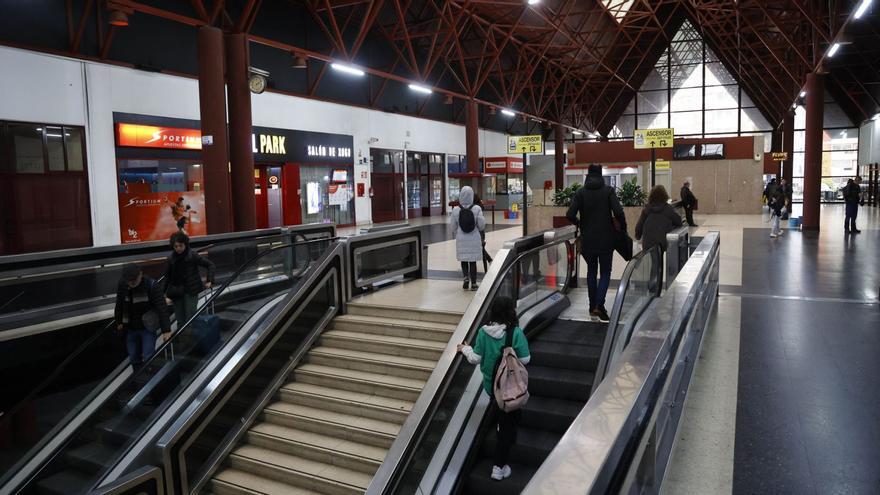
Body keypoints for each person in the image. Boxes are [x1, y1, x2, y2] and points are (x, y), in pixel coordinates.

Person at [457, 296, 530, 481]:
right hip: (510, 388)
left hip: (492, 387)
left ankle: (506, 423)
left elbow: (475, 358)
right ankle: (499, 467)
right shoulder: (515, 333)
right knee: (505, 427)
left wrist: (464, 349)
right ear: (511, 311)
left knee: (503, 412)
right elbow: (525, 359)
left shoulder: (483, 332)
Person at [566, 164, 626, 322]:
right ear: (600, 175)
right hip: (606, 239)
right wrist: (623, 228)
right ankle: (600, 305)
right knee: (605, 272)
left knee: (591, 272)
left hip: (588, 240)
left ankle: (592, 307)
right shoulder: (608, 191)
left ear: (587, 175)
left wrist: (579, 223)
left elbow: (570, 214)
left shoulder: (580, 192)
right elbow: (619, 212)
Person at [115, 263, 171, 370]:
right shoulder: (123, 284)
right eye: (128, 280)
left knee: (148, 356)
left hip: (147, 327)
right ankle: (138, 378)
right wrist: (118, 322)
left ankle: (149, 379)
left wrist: (166, 330)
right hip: (130, 326)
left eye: (133, 280)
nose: (131, 283)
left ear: (140, 274)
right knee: (133, 357)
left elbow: (161, 307)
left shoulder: (151, 285)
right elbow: (119, 304)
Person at [164, 231, 216, 327]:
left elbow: (210, 265)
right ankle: (184, 341)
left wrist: (210, 280)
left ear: (185, 244)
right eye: (175, 246)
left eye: (180, 246)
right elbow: (167, 277)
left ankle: (190, 341)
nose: (178, 248)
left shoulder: (192, 255)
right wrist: (165, 295)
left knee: (190, 318)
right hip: (176, 291)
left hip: (191, 290)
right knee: (180, 320)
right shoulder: (171, 258)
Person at [450, 186, 486, 291]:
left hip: (461, 238)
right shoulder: (477, 209)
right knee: (473, 261)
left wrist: (459, 232)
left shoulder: (456, 210)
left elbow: (453, 227)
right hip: (474, 237)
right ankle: (474, 284)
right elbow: (482, 225)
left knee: (464, 259)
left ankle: (465, 278)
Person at [635, 185, 683, 252]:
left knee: (652, 260)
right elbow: (679, 222)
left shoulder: (647, 209)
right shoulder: (668, 209)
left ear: (651, 196)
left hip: (648, 242)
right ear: (665, 195)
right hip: (663, 242)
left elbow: (639, 226)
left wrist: (638, 235)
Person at [474, 193, 494, 271]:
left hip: (475, 231)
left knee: (480, 248)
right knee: (481, 247)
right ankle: (489, 259)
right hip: (480, 231)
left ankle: (489, 259)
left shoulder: (473, 207)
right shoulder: (480, 206)